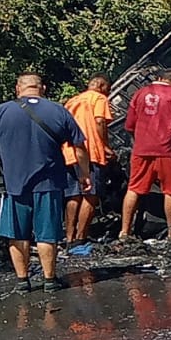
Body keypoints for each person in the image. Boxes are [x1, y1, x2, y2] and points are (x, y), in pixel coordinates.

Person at [0, 73, 90, 293]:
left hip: (13, 183)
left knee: (17, 233)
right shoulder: (58, 110)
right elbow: (79, 145)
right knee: (47, 234)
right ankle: (50, 280)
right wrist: (84, 174)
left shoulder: (2, 111)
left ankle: (22, 282)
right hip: (49, 183)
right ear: (42, 88)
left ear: (18, 89)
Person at [120, 68, 171, 241]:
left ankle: (124, 231)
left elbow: (129, 125)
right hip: (168, 151)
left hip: (141, 150)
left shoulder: (140, 93)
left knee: (134, 188)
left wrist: (139, 140)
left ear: (158, 78)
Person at [62, 74, 113, 256]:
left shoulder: (72, 101)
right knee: (90, 195)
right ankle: (80, 237)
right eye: (108, 89)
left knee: (73, 195)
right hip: (91, 152)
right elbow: (99, 121)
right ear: (101, 85)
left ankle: (68, 238)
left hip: (69, 153)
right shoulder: (99, 98)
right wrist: (105, 145)